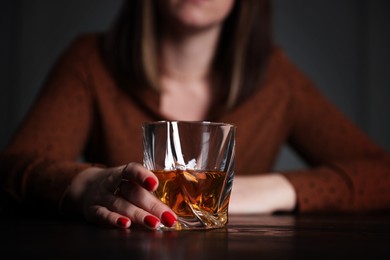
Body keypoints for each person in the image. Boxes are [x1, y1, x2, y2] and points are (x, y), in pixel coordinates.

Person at [1, 0, 390, 230]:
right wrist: (85, 185)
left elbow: (382, 172)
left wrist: (268, 190)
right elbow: (11, 168)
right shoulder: (91, 61)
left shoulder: (277, 80)